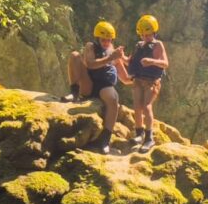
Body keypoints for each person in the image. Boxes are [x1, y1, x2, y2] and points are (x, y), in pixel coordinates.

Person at [65, 21, 132, 154]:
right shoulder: (91, 46)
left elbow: (125, 78)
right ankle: (74, 92)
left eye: (109, 40)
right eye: (103, 40)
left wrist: (144, 79)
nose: (106, 42)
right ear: (97, 38)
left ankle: (105, 139)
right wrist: (110, 58)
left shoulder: (114, 52)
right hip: (88, 83)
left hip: (104, 86)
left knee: (113, 98)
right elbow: (90, 64)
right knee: (75, 55)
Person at [127, 14, 168, 151]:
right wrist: (121, 57)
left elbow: (165, 63)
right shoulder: (138, 45)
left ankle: (149, 138)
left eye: (148, 35)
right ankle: (139, 133)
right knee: (137, 107)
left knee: (146, 106)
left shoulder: (158, 45)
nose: (145, 37)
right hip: (138, 80)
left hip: (151, 81)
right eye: (143, 35)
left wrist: (152, 61)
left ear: (154, 32)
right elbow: (130, 62)